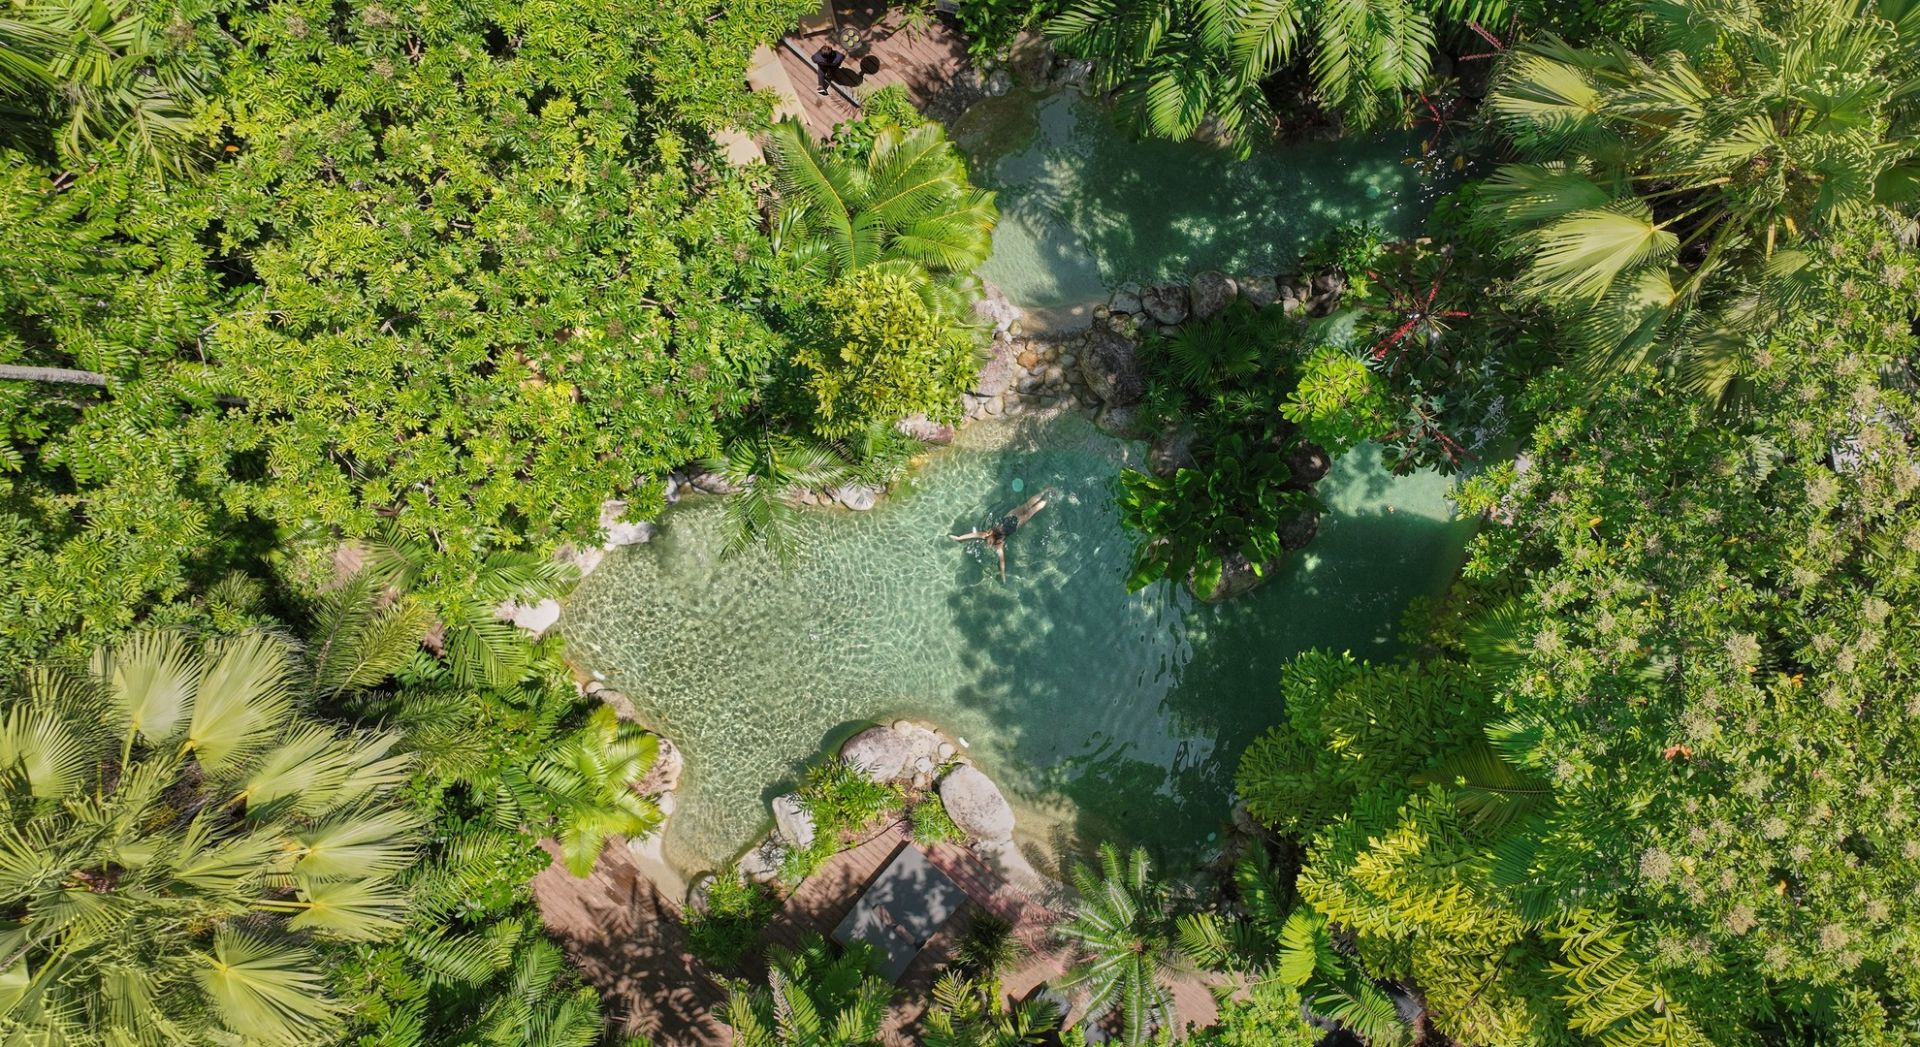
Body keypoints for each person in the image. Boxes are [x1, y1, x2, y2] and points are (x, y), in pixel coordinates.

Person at [951, 489, 1051, 578]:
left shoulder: (997, 542)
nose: (988, 544)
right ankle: (1045, 492)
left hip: (1015, 524)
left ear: (990, 540)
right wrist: (959, 538)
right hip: (1010, 517)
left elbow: (1001, 560)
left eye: (989, 543)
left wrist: (959, 538)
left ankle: (1046, 498)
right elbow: (1001, 560)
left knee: (1031, 511)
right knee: (1027, 506)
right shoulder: (989, 535)